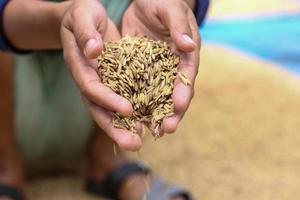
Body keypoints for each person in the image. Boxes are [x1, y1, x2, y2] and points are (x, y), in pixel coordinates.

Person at [0, 0, 209, 199]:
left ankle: (106, 154)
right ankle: (6, 168)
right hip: (15, 66)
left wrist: (178, 6)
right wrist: (62, 19)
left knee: (117, 11)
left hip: (90, 73)